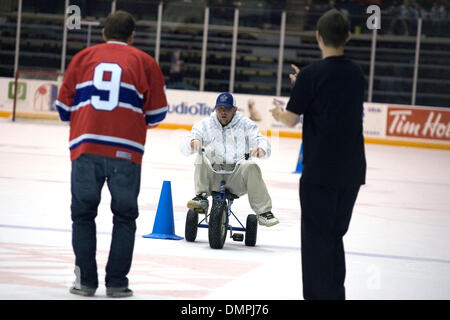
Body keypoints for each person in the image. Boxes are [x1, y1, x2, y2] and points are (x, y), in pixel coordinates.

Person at [55, 10, 168, 298]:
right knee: (125, 217)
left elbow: (63, 109)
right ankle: (117, 283)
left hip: (86, 147)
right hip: (127, 153)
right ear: (132, 36)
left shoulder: (82, 58)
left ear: (103, 32)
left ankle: (85, 282)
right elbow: (156, 114)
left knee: (82, 216)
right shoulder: (146, 62)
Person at [270, 9, 366, 300]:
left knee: (315, 240)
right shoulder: (357, 73)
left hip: (320, 170)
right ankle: (336, 295)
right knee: (334, 237)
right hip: (351, 170)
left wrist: (277, 111)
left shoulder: (311, 76)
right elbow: (333, 97)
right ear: (348, 36)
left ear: (318, 37)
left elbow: (290, 118)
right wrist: (305, 85)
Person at [180, 92, 279, 227]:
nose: (223, 112)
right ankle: (201, 197)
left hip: (236, 177)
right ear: (215, 109)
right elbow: (186, 143)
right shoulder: (206, 124)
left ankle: (263, 212)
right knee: (204, 153)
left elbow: (260, 139)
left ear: (234, 109)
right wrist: (192, 143)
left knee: (251, 165)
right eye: (220, 109)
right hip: (213, 175)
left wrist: (261, 149)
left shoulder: (245, 124)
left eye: (226, 109)